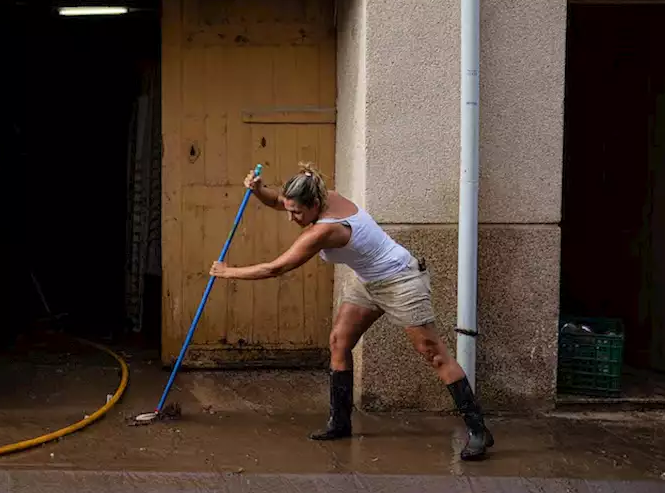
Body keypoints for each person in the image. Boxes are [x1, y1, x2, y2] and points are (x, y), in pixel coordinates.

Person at [208, 163, 494, 461]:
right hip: (369, 281)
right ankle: (340, 422)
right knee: (339, 342)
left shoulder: (325, 229)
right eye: (290, 211)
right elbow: (278, 200)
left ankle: (478, 431)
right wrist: (257, 191)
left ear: (315, 206)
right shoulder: (316, 195)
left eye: (296, 213)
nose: (291, 218)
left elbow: (277, 267)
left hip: (401, 279)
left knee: (432, 353)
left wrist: (228, 273)